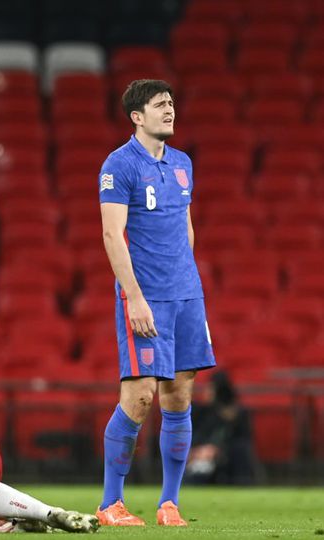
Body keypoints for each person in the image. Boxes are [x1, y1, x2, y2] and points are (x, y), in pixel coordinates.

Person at [95, 79, 216, 527]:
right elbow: (112, 235)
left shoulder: (183, 164)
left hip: (187, 296)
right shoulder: (118, 165)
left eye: (172, 103)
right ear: (136, 116)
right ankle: (111, 504)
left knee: (179, 397)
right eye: (159, 104)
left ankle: (169, 504)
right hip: (146, 298)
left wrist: (189, 282)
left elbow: (186, 227)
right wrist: (134, 297)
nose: (169, 109)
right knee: (140, 396)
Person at [185, 371, 257, 485]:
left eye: (210, 389)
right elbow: (197, 434)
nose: (206, 392)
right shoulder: (203, 412)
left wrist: (218, 449)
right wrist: (197, 449)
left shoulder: (238, 414)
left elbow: (243, 439)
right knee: (197, 469)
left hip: (227, 457)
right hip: (203, 453)